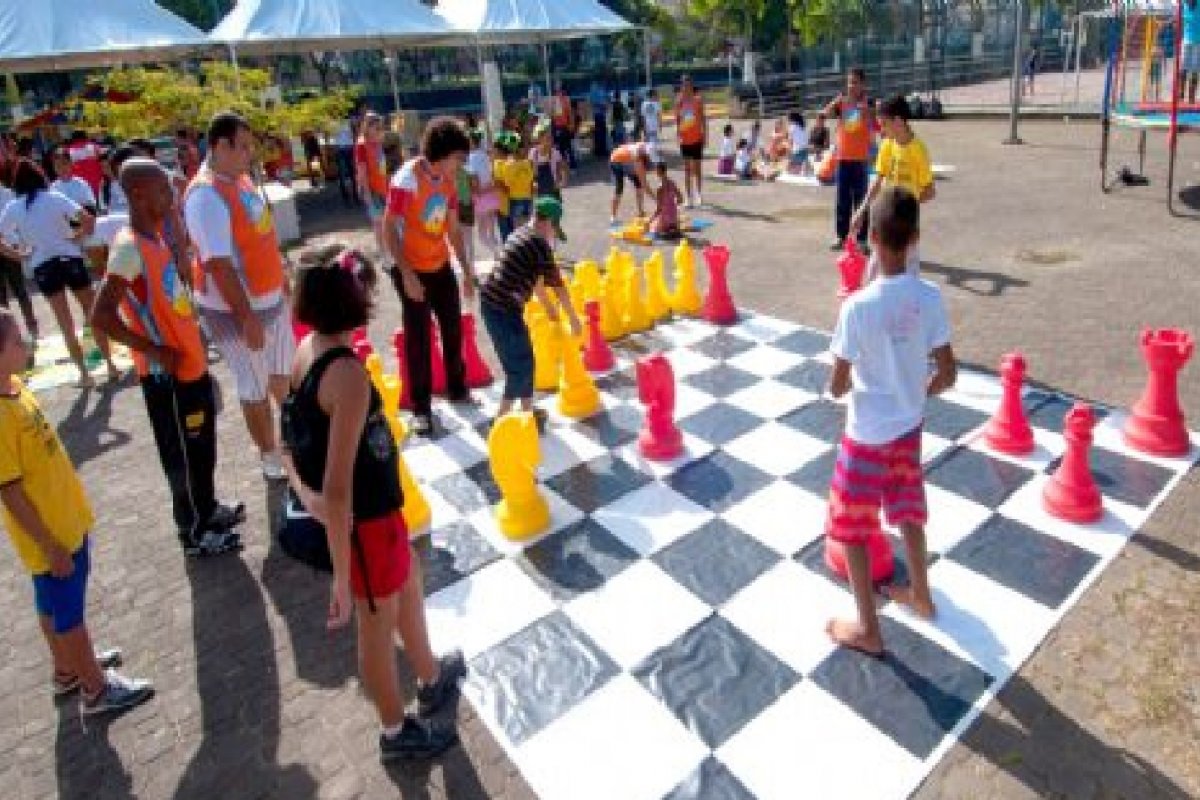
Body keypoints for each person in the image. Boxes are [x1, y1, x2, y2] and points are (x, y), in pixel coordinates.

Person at [282, 249, 463, 761]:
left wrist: (303, 489)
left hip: (382, 517)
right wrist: (340, 571)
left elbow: (287, 442)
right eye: (364, 285)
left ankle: (429, 676)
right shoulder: (347, 377)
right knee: (376, 628)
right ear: (350, 300)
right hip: (364, 526)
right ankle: (394, 732)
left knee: (408, 589)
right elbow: (337, 488)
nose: (372, 293)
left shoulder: (309, 350)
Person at [0, 309, 155, 714]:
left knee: (51, 605)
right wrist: (49, 545)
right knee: (67, 610)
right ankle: (96, 689)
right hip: (51, 536)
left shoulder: (14, 385)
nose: (27, 345)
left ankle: (68, 669)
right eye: (17, 341)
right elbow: (11, 494)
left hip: (63, 522)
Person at [823, 186, 956, 656]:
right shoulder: (931, 296)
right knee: (906, 508)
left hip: (865, 437)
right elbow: (948, 372)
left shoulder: (856, 306)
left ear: (872, 238)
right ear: (915, 238)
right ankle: (921, 594)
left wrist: (844, 384)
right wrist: (916, 390)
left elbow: (838, 385)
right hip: (908, 427)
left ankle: (868, 629)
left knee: (853, 528)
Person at [90, 159, 244, 557]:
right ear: (138, 194)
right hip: (166, 376)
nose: (171, 197)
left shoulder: (155, 237)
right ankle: (193, 532)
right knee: (181, 452)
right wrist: (155, 350)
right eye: (163, 190)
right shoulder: (128, 247)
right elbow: (101, 315)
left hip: (189, 367)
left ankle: (208, 510)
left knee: (202, 446)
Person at [183, 111, 294, 481]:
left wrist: (282, 275)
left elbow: (260, 235)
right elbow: (218, 264)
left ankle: (295, 438)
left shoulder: (241, 181)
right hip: (236, 313)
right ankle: (269, 454)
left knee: (283, 374)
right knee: (254, 385)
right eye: (243, 147)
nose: (250, 154)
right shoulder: (205, 196)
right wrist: (246, 317)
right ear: (219, 146)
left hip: (271, 300)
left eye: (251, 146)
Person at [382, 116, 477, 437]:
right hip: (410, 267)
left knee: (453, 328)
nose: (460, 165)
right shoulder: (406, 180)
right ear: (443, 153)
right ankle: (421, 409)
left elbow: (452, 229)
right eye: (458, 159)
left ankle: (457, 387)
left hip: (439, 265)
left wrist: (465, 269)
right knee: (419, 337)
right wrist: (407, 275)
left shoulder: (450, 182)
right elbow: (388, 230)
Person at [0, 159, 121, 386]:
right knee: (90, 311)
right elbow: (88, 219)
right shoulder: (54, 197)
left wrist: (19, 255)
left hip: (42, 265)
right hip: (69, 258)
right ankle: (111, 365)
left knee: (65, 323)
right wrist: (75, 237)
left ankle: (84, 374)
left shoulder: (14, 208)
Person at [480, 197, 580, 419]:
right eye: (554, 229)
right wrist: (573, 318)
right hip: (502, 309)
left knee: (522, 360)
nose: (553, 235)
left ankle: (526, 410)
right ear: (548, 223)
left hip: (493, 304)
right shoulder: (538, 244)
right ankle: (501, 419)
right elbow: (558, 285)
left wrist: (548, 307)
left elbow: (535, 280)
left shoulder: (519, 233)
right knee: (520, 366)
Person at [851, 95, 935, 281]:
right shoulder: (887, 145)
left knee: (909, 273)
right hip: (885, 217)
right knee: (873, 270)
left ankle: (910, 307)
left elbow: (930, 191)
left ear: (898, 121)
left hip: (906, 222)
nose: (881, 129)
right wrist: (861, 211)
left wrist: (907, 205)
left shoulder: (918, 150)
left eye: (884, 124)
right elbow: (877, 181)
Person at [823, 67, 875, 251]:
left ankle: (862, 240)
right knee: (842, 200)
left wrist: (867, 111)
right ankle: (841, 236)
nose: (851, 86)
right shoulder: (842, 103)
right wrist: (833, 103)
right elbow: (824, 114)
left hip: (861, 160)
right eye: (849, 82)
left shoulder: (869, 103)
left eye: (855, 82)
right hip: (843, 158)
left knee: (861, 201)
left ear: (863, 84)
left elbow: (874, 129)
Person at [0, 174, 37, 342]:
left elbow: (17, 221)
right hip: (7, 244)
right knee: (2, 296)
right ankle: (7, 336)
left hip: (10, 245)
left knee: (19, 289)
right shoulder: (8, 193)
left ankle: (32, 329)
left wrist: (18, 243)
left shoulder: (8, 193)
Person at [354, 112, 391, 261]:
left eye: (379, 124)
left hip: (383, 187)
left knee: (386, 221)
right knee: (378, 222)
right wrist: (367, 195)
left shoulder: (378, 142)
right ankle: (383, 253)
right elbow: (362, 171)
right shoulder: (362, 145)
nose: (378, 127)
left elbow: (383, 167)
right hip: (372, 190)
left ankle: (388, 250)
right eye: (374, 124)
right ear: (367, 126)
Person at [466, 129, 500, 260]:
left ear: (471, 142)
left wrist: (477, 190)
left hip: (481, 198)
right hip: (491, 196)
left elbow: (474, 177)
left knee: (481, 235)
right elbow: (492, 174)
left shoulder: (471, 157)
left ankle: (498, 252)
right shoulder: (486, 155)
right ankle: (497, 254)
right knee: (491, 232)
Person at [675, 76, 707, 208]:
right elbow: (678, 119)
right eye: (684, 85)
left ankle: (699, 195)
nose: (686, 87)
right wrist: (678, 135)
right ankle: (689, 198)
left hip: (697, 138)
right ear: (681, 86)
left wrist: (705, 135)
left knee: (697, 169)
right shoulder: (679, 101)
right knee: (687, 170)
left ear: (691, 85)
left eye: (688, 85)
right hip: (685, 139)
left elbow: (703, 118)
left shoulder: (697, 100)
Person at [608, 140, 655, 223]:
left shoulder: (645, 148)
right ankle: (613, 217)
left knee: (639, 185)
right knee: (619, 188)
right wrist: (657, 200)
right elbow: (645, 185)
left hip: (627, 159)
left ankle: (640, 211)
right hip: (616, 161)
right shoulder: (638, 158)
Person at [499, 137, 534, 233]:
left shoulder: (508, 165)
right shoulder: (526, 163)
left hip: (517, 199)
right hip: (525, 199)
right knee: (526, 229)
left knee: (519, 230)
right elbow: (531, 182)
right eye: (522, 147)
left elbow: (506, 185)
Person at [49, 147, 98, 214]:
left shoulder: (81, 183)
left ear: (71, 163)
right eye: (58, 166)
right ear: (54, 168)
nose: (62, 168)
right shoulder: (53, 189)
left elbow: (91, 206)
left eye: (64, 163)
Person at [530, 120, 569, 201]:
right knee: (541, 212)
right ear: (539, 139)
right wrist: (532, 183)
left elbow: (563, 166)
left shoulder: (555, 152)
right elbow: (530, 169)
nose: (550, 141)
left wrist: (563, 181)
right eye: (547, 139)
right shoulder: (533, 153)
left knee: (555, 211)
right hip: (539, 189)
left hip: (553, 188)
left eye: (550, 138)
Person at [648, 162, 683, 239]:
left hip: (664, 215)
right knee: (672, 227)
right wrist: (674, 203)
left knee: (652, 228)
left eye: (656, 170)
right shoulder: (671, 182)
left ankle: (666, 230)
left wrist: (650, 219)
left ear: (658, 171)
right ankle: (672, 228)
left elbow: (659, 208)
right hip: (673, 213)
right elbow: (680, 198)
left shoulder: (659, 188)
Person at [65, 130, 104, 199]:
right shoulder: (95, 147)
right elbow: (103, 163)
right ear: (85, 136)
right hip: (97, 182)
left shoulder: (68, 151)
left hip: (80, 185)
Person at [333, 115, 359, 207]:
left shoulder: (350, 120)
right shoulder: (332, 122)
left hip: (350, 148)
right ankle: (346, 198)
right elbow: (331, 138)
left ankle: (356, 196)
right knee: (342, 175)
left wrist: (354, 126)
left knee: (353, 174)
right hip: (340, 150)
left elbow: (355, 133)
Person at [550, 84, 576, 169]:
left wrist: (571, 124)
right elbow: (551, 115)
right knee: (561, 148)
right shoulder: (553, 101)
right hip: (557, 127)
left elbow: (570, 113)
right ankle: (563, 166)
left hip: (564, 126)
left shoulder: (566, 100)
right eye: (557, 91)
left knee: (568, 147)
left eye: (559, 91)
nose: (558, 92)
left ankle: (572, 165)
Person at [1184, 0, 1199, 103]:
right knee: (1183, 67)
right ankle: (1180, 96)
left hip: (1198, 42)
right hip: (1186, 40)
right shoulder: (1183, 5)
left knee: (1195, 69)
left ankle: (1191, 98)